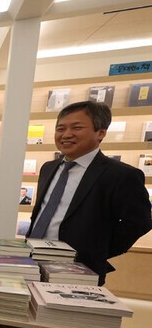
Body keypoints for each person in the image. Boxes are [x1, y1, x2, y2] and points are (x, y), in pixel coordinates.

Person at [28, 101, 151, 284]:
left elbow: (139, 222)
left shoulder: (121, 175)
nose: (66, 134)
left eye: (77, 127)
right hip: (31, 262)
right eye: (60, 128)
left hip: (79, 270)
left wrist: (97, 251)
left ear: (100, 133)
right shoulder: (48, 168)